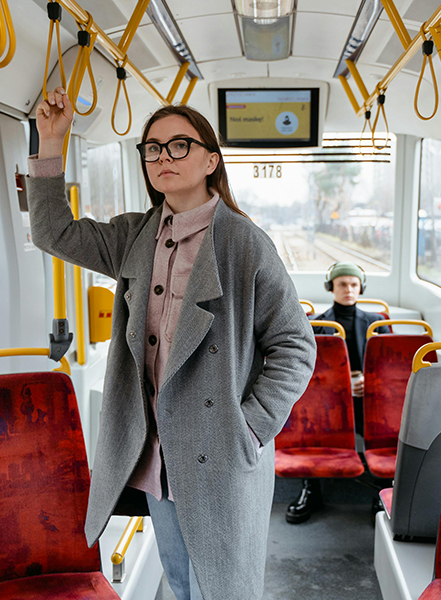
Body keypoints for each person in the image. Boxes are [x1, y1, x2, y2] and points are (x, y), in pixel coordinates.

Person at [27, 87, 315, 600]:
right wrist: (52, 142)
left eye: (180, 145)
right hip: (160, 455)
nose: (164, 157)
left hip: (222, 453)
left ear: (210, 159)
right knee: (180, 582)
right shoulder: (135, 236)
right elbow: (54, 234)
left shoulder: (244, 244)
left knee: (226, 588)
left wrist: (249, 426)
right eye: (153, 148)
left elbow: (294, 345)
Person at [286, 261, 391, 524]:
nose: (349, 289)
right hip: (330, 400)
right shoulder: (318, 324)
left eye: (354, 284)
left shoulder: (377, 323)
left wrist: (370, 381)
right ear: (331, 288)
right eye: (342, 284)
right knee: (311, 420)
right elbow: (310, 370)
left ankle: (383, 487)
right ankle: (310, 488)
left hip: (369, 397)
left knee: (387, 419)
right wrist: (340, 386)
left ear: (361, 288)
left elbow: (389, 365)